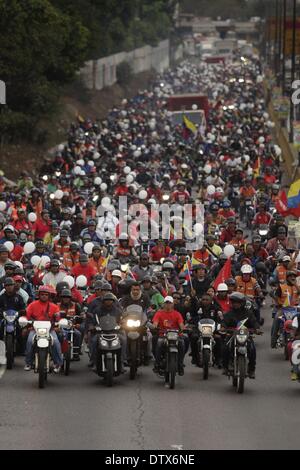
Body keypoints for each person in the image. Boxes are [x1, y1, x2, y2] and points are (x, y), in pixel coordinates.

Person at [221, 292, 261, 379]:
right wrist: (223, 327)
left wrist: (257, 328)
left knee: (252, 349)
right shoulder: (229, 313)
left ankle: (251, 370)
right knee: (225, 347)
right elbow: (224, 322)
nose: (235, 304)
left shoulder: (248, 313)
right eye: (234, 302)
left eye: (238, 302)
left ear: (242, 303)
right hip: (232, 335)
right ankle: (225, 367)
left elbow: (254, 322)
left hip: (245, 336)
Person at [24, 285, 63, 372]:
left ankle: (58, 363)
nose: (44, 296)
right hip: (35, 330)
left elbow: (58, 317)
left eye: (46, 294)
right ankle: (28, 363)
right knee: (30, 341)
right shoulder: (32, 305)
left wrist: (58, 320)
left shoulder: (54, 306)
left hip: (50, 330)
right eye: (42, 294)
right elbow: (26, 315)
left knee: (56, 343)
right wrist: (25, 321)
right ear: (39, 295)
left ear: (49, 296)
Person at [152, 296, 186, 375]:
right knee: (158, 343)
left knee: (182, 343)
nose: (168, 305)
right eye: (166, 303)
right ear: (163, 304)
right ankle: (157, 364)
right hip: (163, 335)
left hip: (175, 336)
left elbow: (181, 325)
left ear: (173, 304)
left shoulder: (177, 314)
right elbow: (155, 323)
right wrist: (155, 327)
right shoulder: (159, 313)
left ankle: (180, 365)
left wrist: (182, 329)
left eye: (170, 303)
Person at [272, 271, 300, 348]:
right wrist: (277, 303)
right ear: (287, 278)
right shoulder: (281, 287)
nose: (292, 277)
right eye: (290, 276)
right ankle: (273, 341)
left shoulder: (297, 287)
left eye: (294, 276)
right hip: (283, 309)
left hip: (295, 309)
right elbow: (276, 297)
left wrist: (295, 284)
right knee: (277, 319)